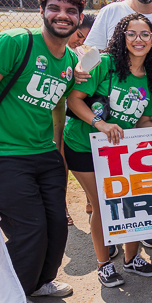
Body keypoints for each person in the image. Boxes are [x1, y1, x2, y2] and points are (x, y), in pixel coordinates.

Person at [0, 0, 86, 303]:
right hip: (2, 153)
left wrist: (58, 153)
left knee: (57, 224)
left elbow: (58, 110)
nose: (63, 16)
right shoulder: (15, 43)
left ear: (78, 19)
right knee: (29, 228)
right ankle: (12, 294)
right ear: (42, 11)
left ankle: (40, 281)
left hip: (43, 153)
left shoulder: (70, 60)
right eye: (55, 8)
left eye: (71, 11)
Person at [64, 13, 152, 287]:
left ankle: (131, 259)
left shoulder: (151, 77)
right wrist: (99, 123)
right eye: (132, 34)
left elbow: (143, 120)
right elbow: (74, 100)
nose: (138, 39)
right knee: (103, 204)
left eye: (145, 34)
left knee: (130, 201)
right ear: (122, 37)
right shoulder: (105, 64)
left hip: (119, 152)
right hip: (83, 145)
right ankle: (103, 264)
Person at [82, 0, 152, 250]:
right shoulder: (111, 11)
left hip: (135, 113)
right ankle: (107, 241)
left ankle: (134, 233)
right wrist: (85, 71)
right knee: (102, 197)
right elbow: (89, 51)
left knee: (128, 189)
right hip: (97, 112)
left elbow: (145, 118)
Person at [58, 13, 97, 225]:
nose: (80, 42)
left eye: (86, 39)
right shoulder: (59, 47)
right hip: (56, 112)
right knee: (62, 158)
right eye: (79, 35)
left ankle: (91, 199)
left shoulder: (85, 52)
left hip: (79, 110)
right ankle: (62, 206)